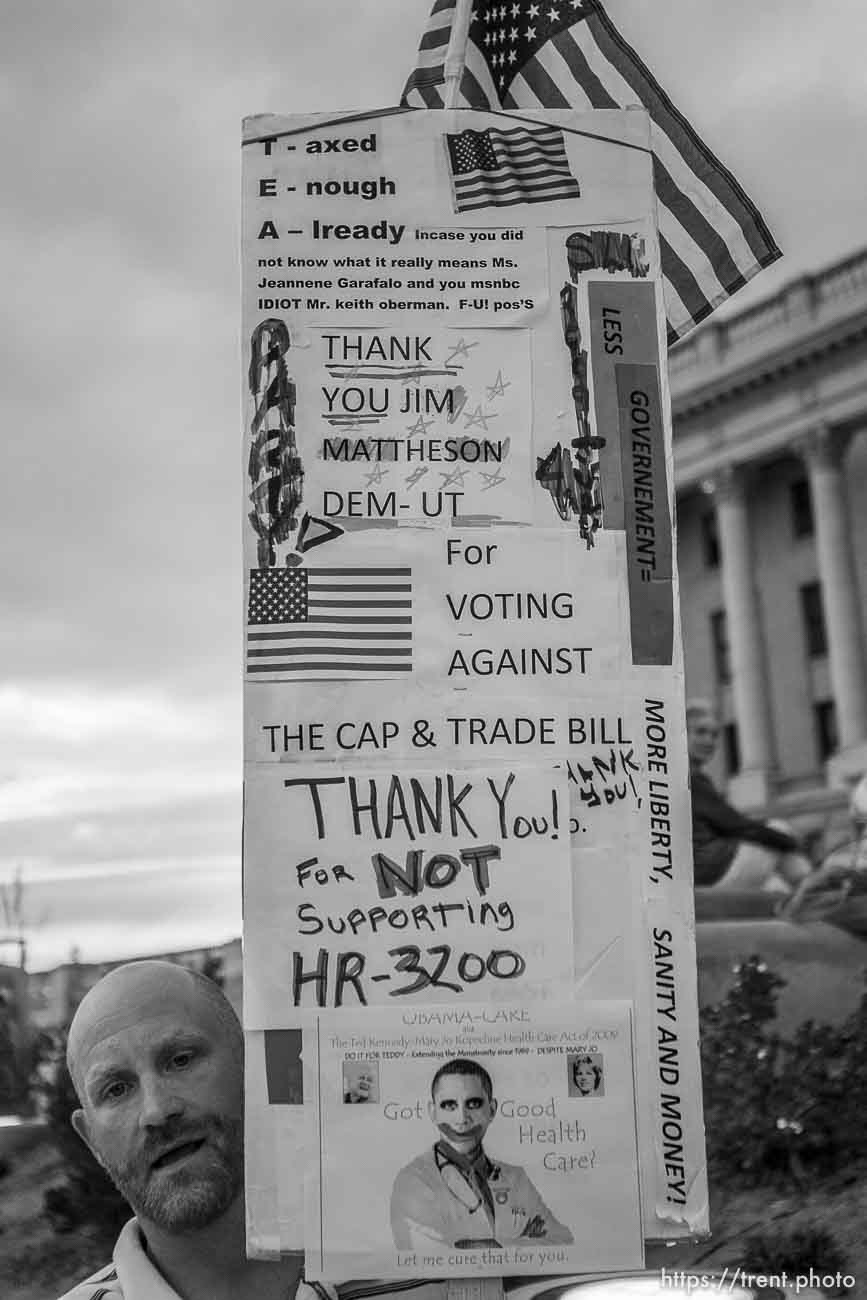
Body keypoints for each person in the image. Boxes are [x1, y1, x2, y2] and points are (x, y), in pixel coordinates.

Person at [58, 960, 444, 1300]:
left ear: (253, 1068)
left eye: (180, 1060)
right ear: (90, 1139)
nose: (156, 1110)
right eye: (116, 1089)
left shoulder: (439, 1279)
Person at [390, 1058, 573, 1252]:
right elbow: (432, 1257)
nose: (462, 1119)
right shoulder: (413, 1180)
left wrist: (493, 1246)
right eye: (449, 1105)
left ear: (492, 1110)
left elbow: (562, 1243)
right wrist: (523, 1243)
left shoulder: (516, 1178)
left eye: (474, 1103)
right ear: (433, 1113)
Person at [686, 700, 812, 894]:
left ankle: (811, 891)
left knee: (776, 886)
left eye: (714, 735)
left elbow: (730, 825)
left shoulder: (674, 778)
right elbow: (740, 827)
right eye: (701, 732)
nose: (709, 741)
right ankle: (820, 891)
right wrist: (792, 841)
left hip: (699, 875)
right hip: (713, 872)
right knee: (779, 829)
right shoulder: (693, 780)